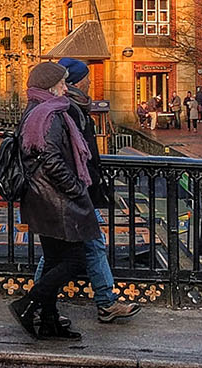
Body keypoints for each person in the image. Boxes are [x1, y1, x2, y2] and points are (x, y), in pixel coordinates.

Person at [28, 59, 141, 324]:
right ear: (73, 82)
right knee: (86, 248)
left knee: (62, 253)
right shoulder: (62, 111)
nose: (91, 81)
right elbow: (55, 157)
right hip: (71, 193)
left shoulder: (68, 108)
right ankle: (102, 302)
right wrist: (78, 188)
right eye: (86, 77)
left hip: (72, 191)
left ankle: (41, 305)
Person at [9, 62, 97, 340]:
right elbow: (50, 158)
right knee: (75, 260)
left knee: (53, 260)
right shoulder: (50, 114)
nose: (65, 87)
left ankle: (48, 321)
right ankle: (27, 304)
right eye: (61, 83)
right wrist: (75, 188)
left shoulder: (36, 111)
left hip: (40, 199)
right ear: (50, 86)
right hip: (55, 200)